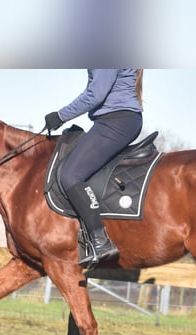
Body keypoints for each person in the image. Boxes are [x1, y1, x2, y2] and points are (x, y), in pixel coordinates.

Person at [44, 69, 144, 267]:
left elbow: (96, 94)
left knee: (70, 175)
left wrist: (61, 115)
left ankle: (100, 241)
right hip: (117, 119)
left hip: (115, 121)